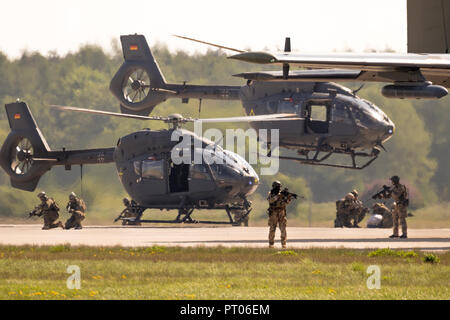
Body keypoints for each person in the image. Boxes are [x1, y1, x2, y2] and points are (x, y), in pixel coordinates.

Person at [267, 181, 295, 248]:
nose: (278, 188)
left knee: (283, 228)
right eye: (277, 186)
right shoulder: (271, 193)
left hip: (281, 212)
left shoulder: (282, 194)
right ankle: (271, 244)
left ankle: (283, 243)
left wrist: (288, 197)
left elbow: (286, 203)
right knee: (272, 228)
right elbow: (270, 200)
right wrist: (278, 196)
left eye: (279, 187)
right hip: (274, 212)